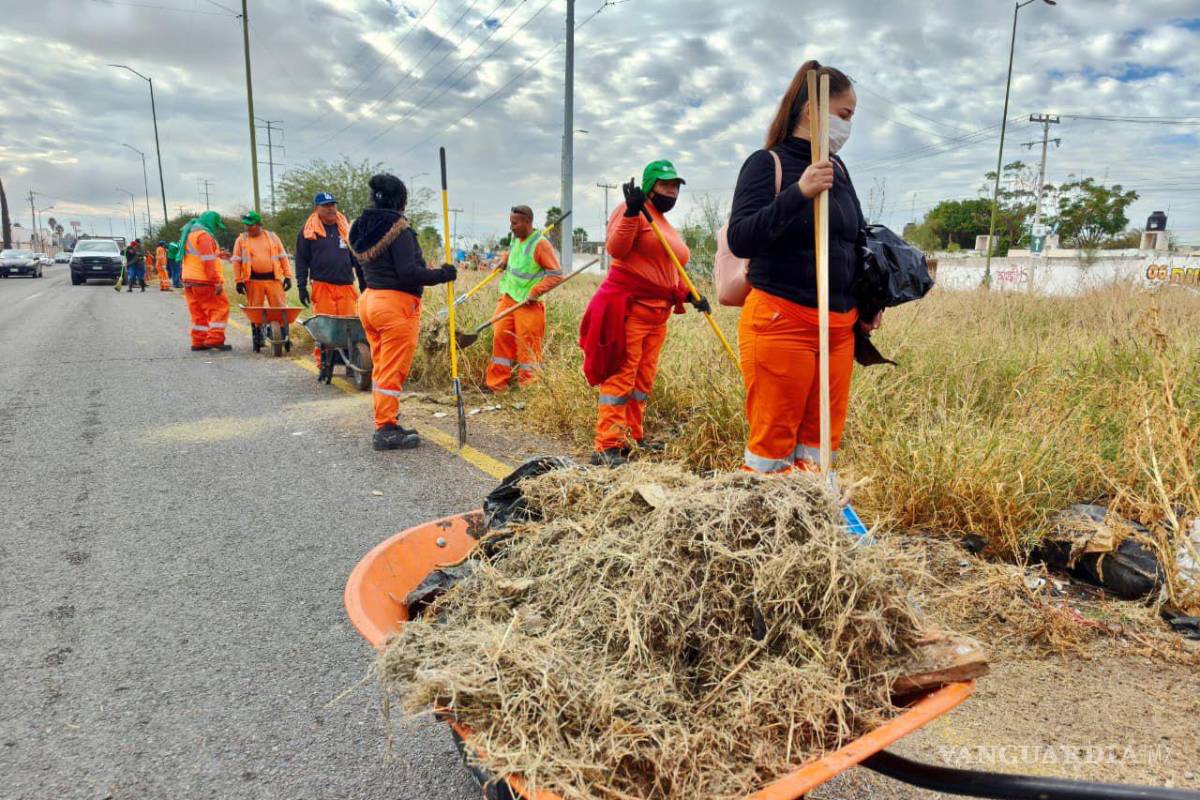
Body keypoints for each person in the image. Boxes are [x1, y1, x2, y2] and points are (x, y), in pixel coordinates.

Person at [727, 60, 880, 474]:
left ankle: (812, 519)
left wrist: (868, 300)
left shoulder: (839, 169)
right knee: (773, 445)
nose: (848, 127)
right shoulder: (767, 164)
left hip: (838, 328)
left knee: (820, 446)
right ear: (813, 110)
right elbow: (741, 237)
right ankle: (765, 524)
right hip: (782, 321)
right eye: (844, 115)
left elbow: (853, 241)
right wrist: (799, 192)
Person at [578, 159, 709, 467]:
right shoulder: (631, 212)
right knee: (622, 376)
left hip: (658, 314)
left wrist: (690, 294)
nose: (672, 191)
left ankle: (632, 438)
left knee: (642, 381)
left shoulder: (664, 222)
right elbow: (617, 250)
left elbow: (667, 268)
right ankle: (607, 445)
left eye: (675, 186)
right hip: (631, 310)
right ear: (650, 187)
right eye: (665, 185)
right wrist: (633, 211)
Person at [348, 174, 456, 451]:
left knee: (382, 366)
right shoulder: (399, 229)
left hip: (369, 300)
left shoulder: (358, 227)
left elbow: (359, 267)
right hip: (395, 306)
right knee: (392, 369)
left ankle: (387, 419)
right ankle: (385, 429)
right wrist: (443, 274)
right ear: (402, 201)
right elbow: (409, 273)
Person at [483, 205, 563, 394]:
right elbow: (514, 252)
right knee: (500, 337)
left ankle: (529, 390)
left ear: (527, 222)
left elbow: (556, 275)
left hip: (528, 304)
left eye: (515, 223)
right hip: (509, 297)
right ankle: (497, 385)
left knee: (528, 347)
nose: (511, 227)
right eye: (510, 222)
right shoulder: (516, 238)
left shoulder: (541, 244)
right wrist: (505, 259)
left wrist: (535, 292)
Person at [295, 192, 364, 368]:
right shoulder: (307, 232)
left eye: (333, 204)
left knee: (349, 327)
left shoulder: (346, 230)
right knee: (326, 329)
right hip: (322, 285)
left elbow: (356, 257)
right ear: (316, 209)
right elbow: (302, 260)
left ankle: (350, 360)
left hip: (346, 285)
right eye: (326, 205)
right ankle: (324, 361)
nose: (331, 208)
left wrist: (365, 280)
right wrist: (301, 286)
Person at [180, 210, 232, 352]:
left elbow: (196, 256)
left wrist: (218, 254)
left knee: (198, 313)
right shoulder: (204, 236)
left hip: (189, 280)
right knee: (220, 308)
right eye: (215, 225)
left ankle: (199, 341)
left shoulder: (190, 234)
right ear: (210, 222)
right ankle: (215, 339)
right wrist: (216, 281)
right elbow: (207, 261)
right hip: (204, 280)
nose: (215, 228)